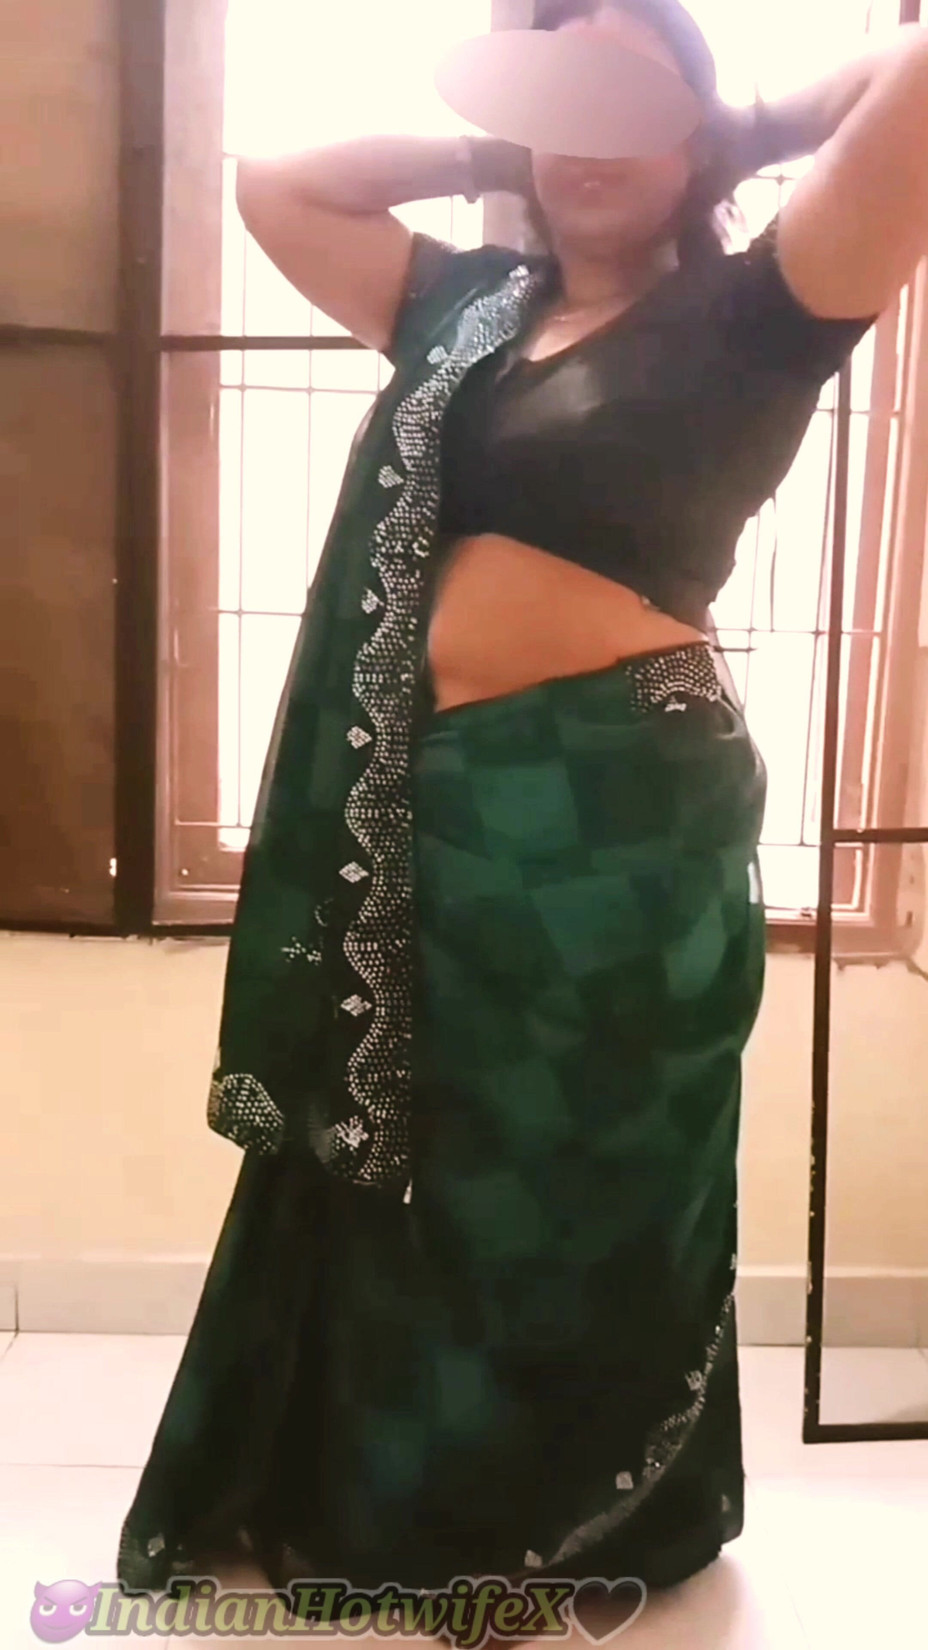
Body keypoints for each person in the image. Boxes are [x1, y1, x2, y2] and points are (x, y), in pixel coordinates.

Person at [117, 0, 927, 1613]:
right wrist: (514, 134)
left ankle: (584, 1515)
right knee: (429, 1168)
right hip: (433, 800)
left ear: (700, 132)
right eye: (559, 100)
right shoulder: (468, 305)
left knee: (587, 1169)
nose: (586, 134)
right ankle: (410, 1499)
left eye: (630, 98)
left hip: (619, 810)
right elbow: (278, 181)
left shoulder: (761, 311)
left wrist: (738, 128)